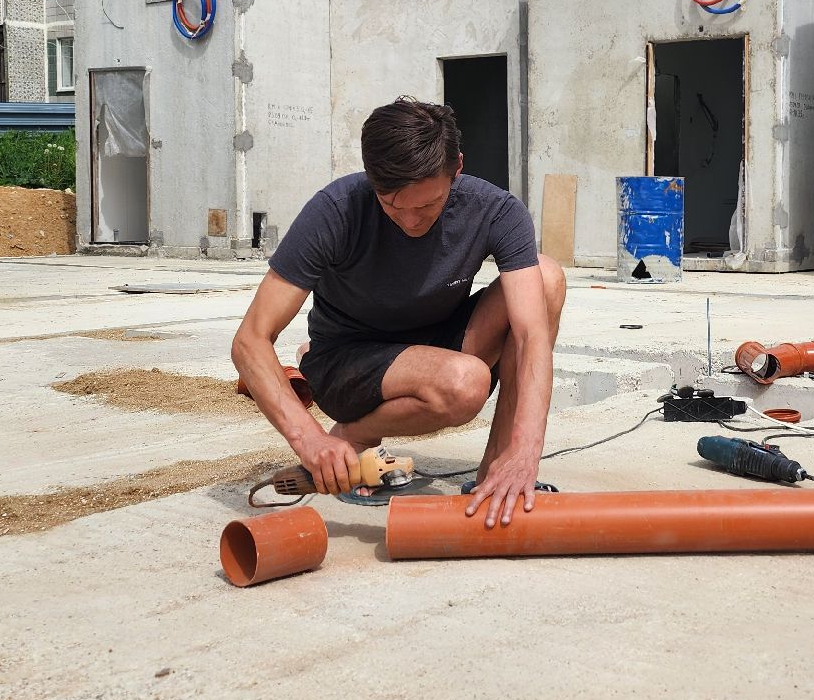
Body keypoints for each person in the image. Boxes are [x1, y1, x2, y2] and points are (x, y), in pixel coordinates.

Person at [230, 97, 566, 527]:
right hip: (348, 362)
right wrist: (310, 441)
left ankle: (499, 473)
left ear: (456, 168)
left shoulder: (496, 211)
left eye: (427, 205)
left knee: (548, 277)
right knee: (466, 383)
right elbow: (250, 340)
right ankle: (354, 434)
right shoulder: (335, 210)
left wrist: (525, 452)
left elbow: (530, 335)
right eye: (391, 204)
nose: (409, 220)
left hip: (440, 346)